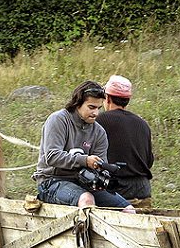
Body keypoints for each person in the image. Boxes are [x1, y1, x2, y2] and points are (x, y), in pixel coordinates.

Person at [33, 80, 136, 213]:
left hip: (84, 183)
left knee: (128, 210)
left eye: (99, 108)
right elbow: (52, 157)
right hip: (51, 181)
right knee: (86, 200)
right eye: (91, 107)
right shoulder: (59, 120)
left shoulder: (99, 132)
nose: (96, 113)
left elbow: (101, 163)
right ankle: (85, 233)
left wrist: (102, 173)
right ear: (77, 104)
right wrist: (85, 160)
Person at [96, 75, 154, 208]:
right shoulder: (143, 124)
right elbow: (149, 161)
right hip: (143, 191)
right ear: (127, 100)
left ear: (107, 98)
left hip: (116, 194)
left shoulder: (99, 122)